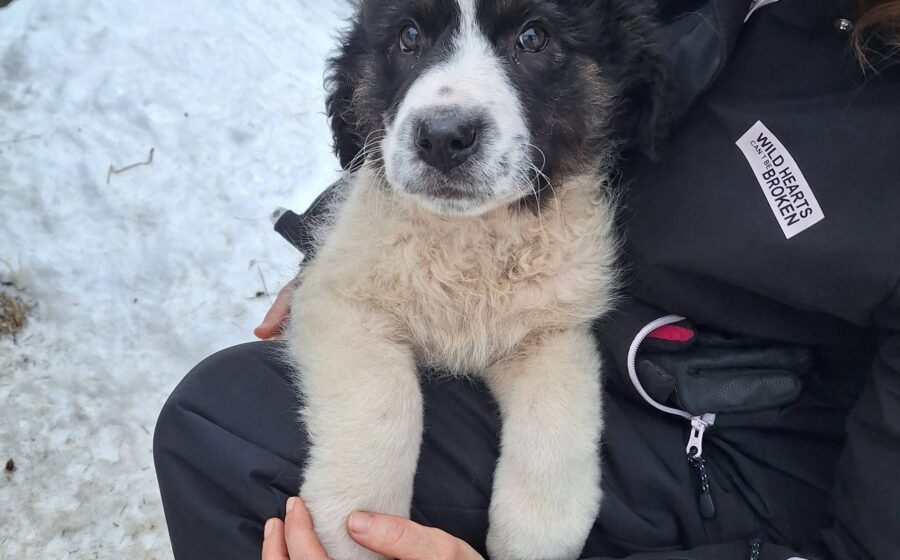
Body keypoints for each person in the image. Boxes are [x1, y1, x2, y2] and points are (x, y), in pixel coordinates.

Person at [153, 1, 900, 559]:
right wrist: (344, 234)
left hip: (733, 468)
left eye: (532, 38)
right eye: (412, 38)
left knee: (233, 438)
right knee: (222, 429)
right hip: (569, 334)